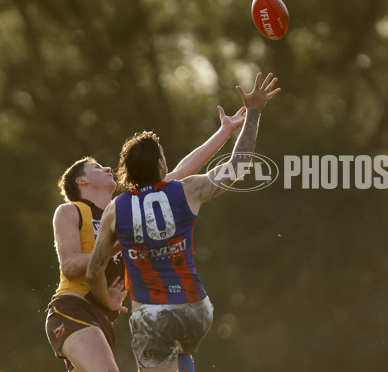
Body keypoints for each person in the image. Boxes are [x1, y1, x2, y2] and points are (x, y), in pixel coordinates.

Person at [86, 72, 280, 372]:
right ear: (161, 165)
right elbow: (239, 164)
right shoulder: (187, 189)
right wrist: (254, 112)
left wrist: (106, 302)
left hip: (152, 314)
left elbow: (94, 270)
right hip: (195, 309)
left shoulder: (116, 208)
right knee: (179, 352)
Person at [45, 105, 247, 372]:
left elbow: (181, 171)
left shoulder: (125, 208)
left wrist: (224, 132)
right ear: (81, 182)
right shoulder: (71, 210)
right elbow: (69, 266)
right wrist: (120, 244)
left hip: (103, 317)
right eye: (95, 167)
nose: (107, 167)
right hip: (73, 310)